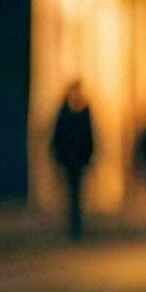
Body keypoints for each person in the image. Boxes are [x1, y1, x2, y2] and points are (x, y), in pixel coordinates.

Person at [49, 80, 94, 240]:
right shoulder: (64, 112)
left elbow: (89, 138)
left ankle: (77, 226)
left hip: (79, 161)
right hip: (69, 161)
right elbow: (57, 137)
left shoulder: (84, 111)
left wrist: (89, 157)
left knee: (77, 194)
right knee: (71, 194)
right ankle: (73, 226)